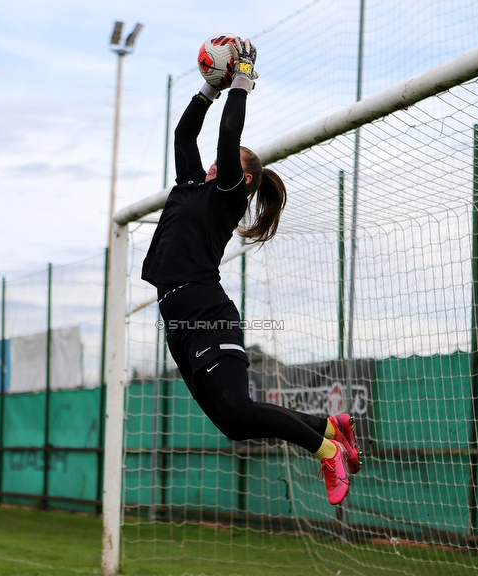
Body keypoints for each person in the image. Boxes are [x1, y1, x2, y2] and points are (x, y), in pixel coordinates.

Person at [141, 38, 360, 505]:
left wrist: (239, 81)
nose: (220, 158)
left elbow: (224, 137)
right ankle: (330, 425)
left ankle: (328, 451)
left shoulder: (226, 195)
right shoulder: (188, 186)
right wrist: (206, 90)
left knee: (239, 409)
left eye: (231, 159)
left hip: (207, 312)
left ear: (241, 180)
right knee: (236, 425)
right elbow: (184, 136)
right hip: (179, 321)